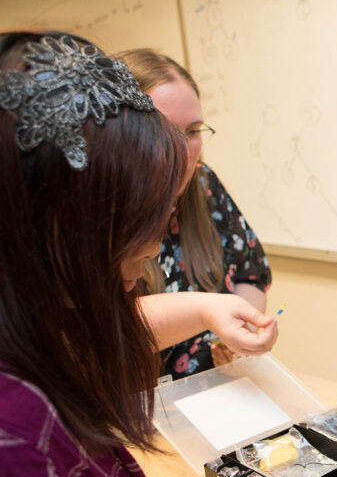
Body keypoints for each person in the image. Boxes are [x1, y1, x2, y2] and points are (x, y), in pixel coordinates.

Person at [0, 32, 274, 477]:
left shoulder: (36, 349)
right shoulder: (15, 441)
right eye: (142, 217)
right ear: (64, 224)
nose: (154, 246)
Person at [117, 48, 273, 380]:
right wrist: (207, 311)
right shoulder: (98, 205)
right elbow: (102, 327)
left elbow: (250, 271)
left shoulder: (203, 182)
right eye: (166, 132)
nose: (184, 151)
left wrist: (239, 333)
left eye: (193, 131)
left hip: (211, 393)